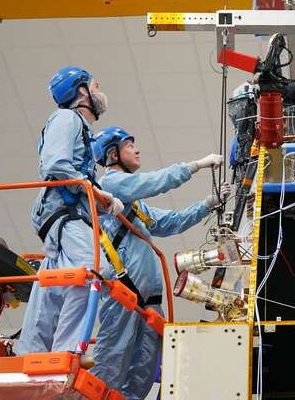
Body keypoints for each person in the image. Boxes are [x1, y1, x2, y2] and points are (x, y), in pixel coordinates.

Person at [89, 126, 228, 400]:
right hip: (124, 293)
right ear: (113, 154)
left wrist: (209, 204)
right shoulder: (111, 185)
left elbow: (169, 222)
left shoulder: (133, 204)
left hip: (147, 301)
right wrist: (196, 166)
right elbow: (154, 182)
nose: (137, 149)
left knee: (143, 369)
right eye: (129, 145)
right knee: (112, 362)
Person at [16, 67, 125, 355]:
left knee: (54, 282)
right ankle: (66, 352)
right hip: (61, 211)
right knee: (94, 270)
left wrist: (98, 199)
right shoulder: (67, 118)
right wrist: (96, 192)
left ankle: (30, 353)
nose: (100, 91)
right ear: (81, 91)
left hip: (63, 211)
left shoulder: (80, 127)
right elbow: (55, 164)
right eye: (95, 85)